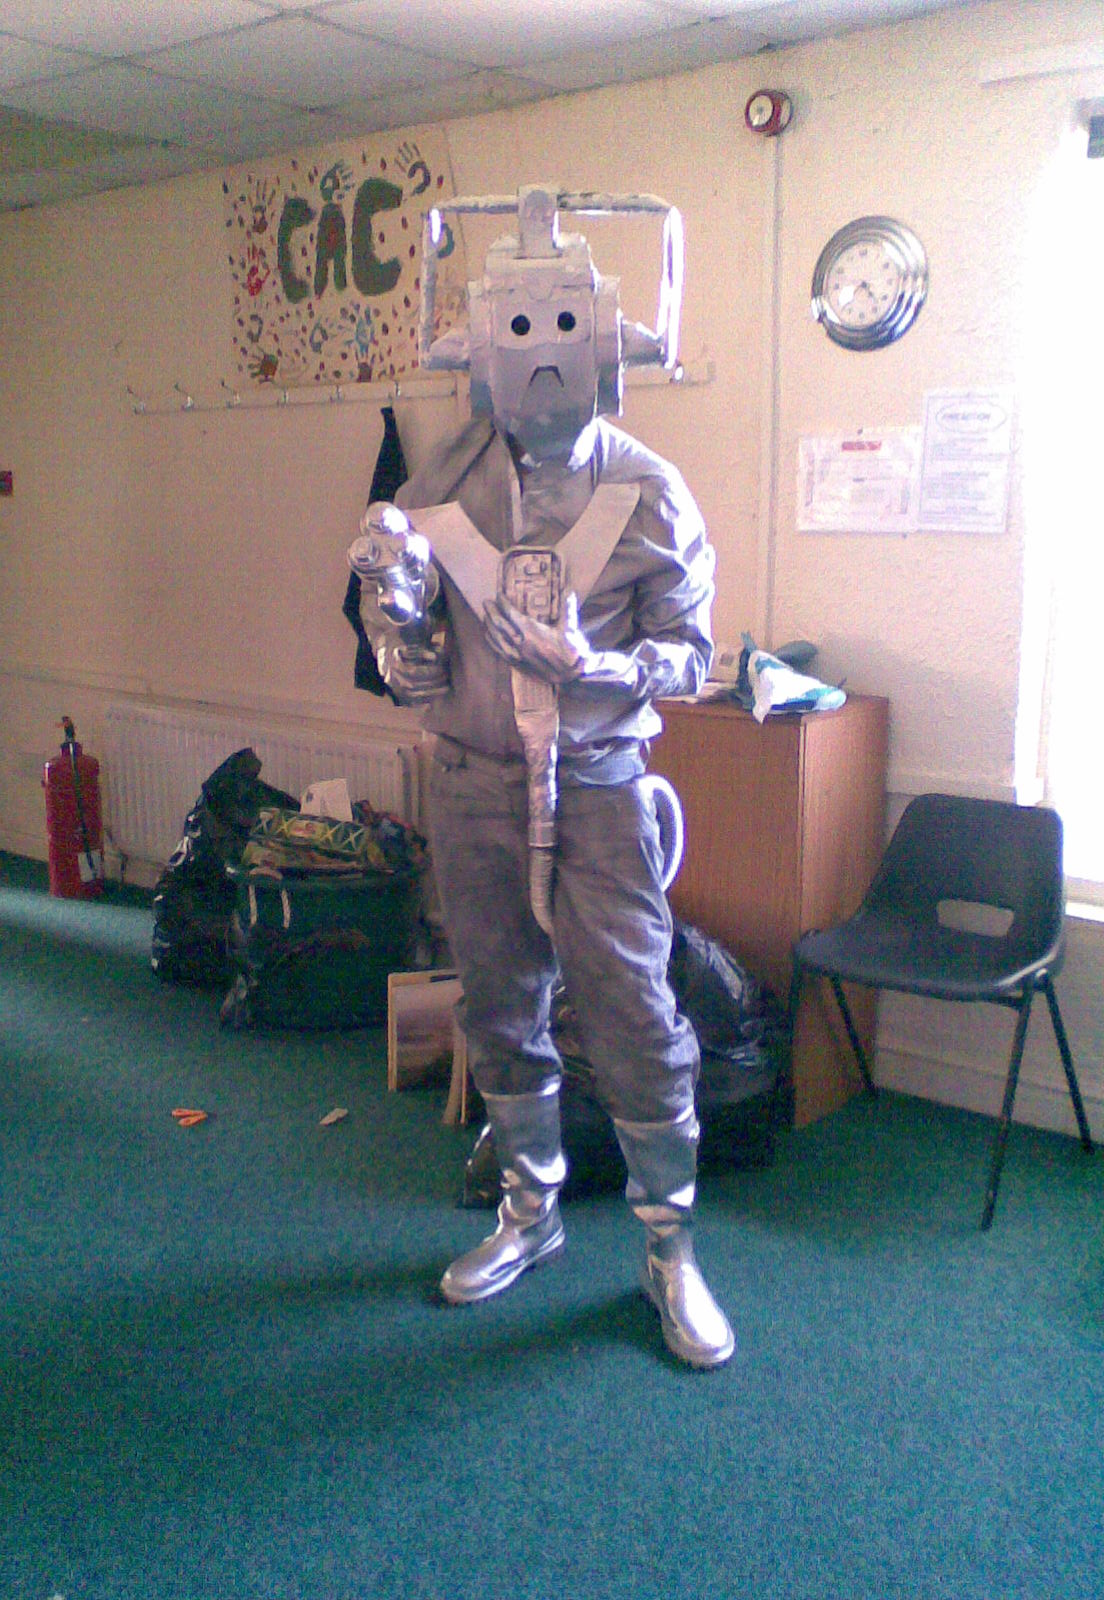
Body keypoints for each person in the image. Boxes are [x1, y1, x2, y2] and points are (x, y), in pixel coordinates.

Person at [352, 184, 733, 1368]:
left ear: (608, 339)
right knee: (498, 1001)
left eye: (563, 326)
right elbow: (410, 655)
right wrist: (400, 632)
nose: (543, 356)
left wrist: (597, 664)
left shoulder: (649, 490)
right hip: (472, 781)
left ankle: (670, 1246)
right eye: (518, 330)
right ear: (479, 346)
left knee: (634, 1015)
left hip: (602, 782)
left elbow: (693, 654)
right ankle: (531, 1210)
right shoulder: (437, 489)